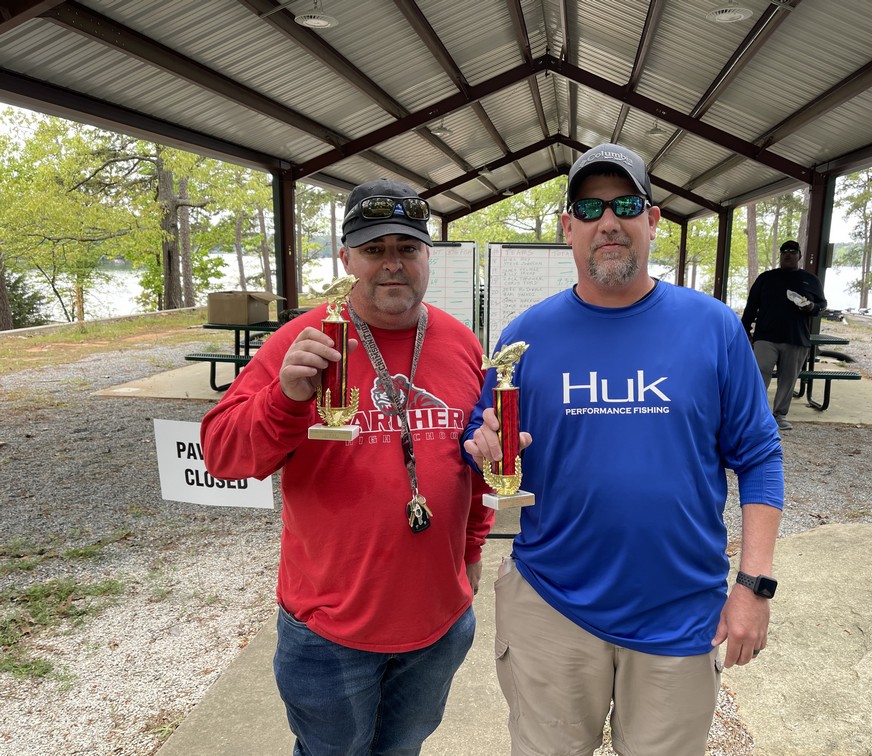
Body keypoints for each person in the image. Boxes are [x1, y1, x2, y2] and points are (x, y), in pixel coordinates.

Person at [462, 143, 784, 756]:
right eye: (589, 208)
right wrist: (482, 449)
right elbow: (482, 442)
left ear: (653, 220)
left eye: (625, 205)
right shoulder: (525, 336)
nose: (607, 221)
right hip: (551, 604)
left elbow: (760, 456)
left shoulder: (712, 326)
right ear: (568, 228)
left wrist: (753, 585)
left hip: (679, 612)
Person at [200, 178, 494, 755]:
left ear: (428, 255)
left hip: (437, 623)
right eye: (373, 249)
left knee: (403, 748)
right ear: (345, 259)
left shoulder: (461, 343)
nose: (392, 264)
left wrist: (472, 547)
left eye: (407, 248)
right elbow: (222, 455)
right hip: (330, 632)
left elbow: (476, 460)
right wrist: (284, 397)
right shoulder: (303, 341)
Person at [740, 240, 828, 431]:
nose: (788, 254)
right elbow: (751, 306)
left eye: (792, 251)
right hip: (765, 337)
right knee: (759, 372)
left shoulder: (810, 280)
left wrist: (811, 307)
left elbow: (822, 305)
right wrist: (744, 331)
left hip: (796, 338)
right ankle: (756, 415)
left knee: (788, 379)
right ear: (780, 256)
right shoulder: (766, 278)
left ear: (799, 256)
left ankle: (780, 415)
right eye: (784, 251)